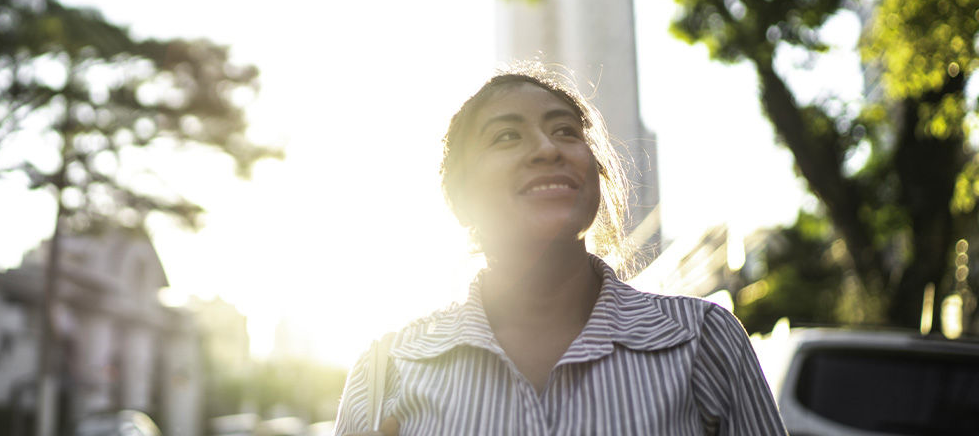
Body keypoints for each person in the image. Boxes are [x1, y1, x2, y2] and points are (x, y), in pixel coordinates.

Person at [334, 65, 786, 435]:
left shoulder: (702, 338)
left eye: (566, 131)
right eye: (506, 136)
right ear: (461, 195)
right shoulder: (385, 370)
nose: (548, 149)